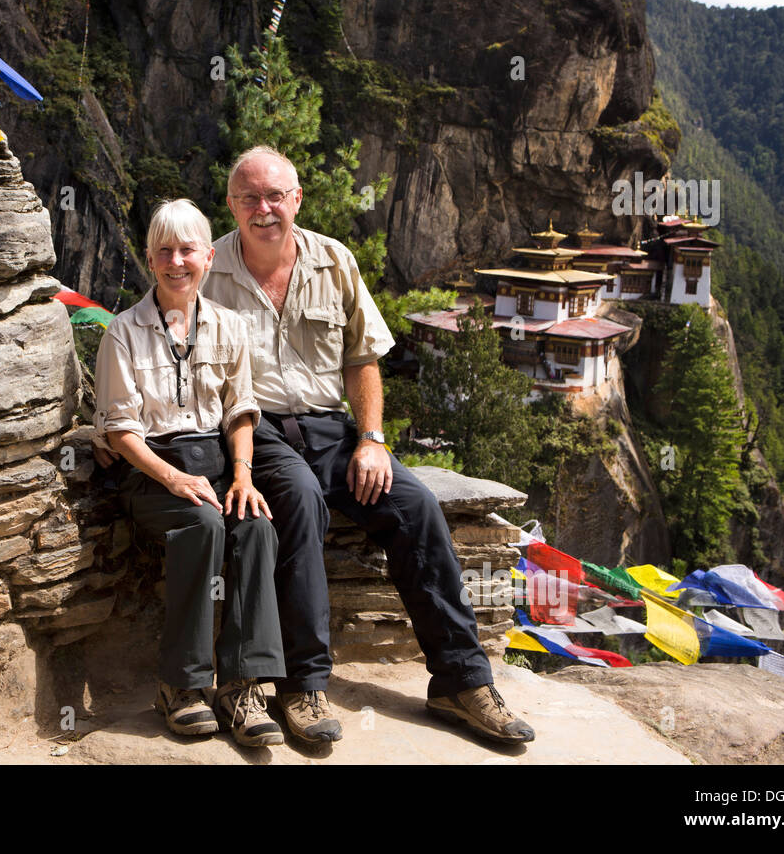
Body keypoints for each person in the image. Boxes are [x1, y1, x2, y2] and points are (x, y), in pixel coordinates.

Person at [201, 145, 536, 746]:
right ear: (231, 205)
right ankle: (303, 686)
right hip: (258, 429)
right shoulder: (208, 270)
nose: (264, 208)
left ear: (296, 199)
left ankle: (461, 681)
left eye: (276, 195)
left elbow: (363, 359)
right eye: (249, 197)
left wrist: (374, 439)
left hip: (333, 430)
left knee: (415, 507)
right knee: (299, 502)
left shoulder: (334, 261)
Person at [93, 198, 286, 747]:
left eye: (187, 250)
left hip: (217, 465)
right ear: (150, 258)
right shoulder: (123, 332)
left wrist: (243, 477)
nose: (176, 262)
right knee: (203, 525)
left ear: (208, 255)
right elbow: (123, 432)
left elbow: (240, 411)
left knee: (255, 527)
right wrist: (172, 479)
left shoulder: (230, 326)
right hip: (151, 470)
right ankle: (181, 685)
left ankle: (244, 687)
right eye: (164, 251)